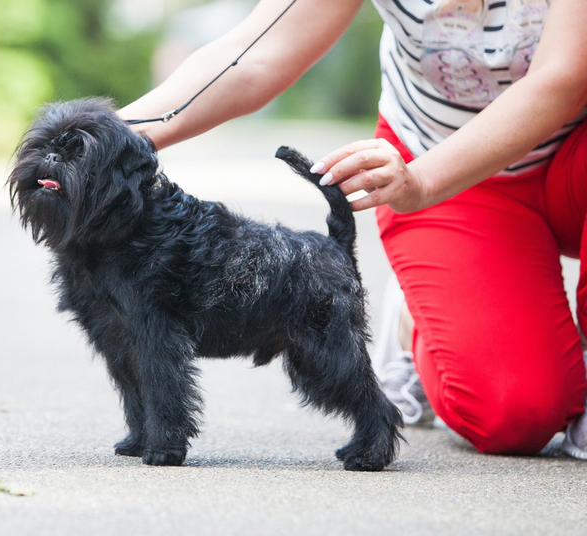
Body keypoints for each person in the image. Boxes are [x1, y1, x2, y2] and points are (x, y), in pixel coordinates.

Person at [118, 0, 587, 459]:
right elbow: (257, 52)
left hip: (565, 159)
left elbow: (562, 76)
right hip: (440, 166)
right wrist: (109, 135)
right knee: (515, 413)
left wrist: (422, 181)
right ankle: (421, 319)